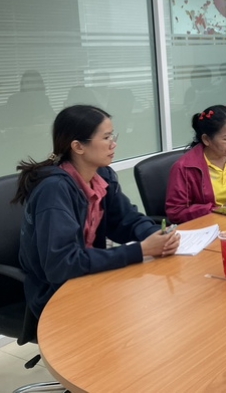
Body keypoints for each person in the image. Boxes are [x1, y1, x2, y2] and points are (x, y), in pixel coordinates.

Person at [15, 105, 180, 318]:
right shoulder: (54, 190)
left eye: (113, 136)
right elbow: (62, 264)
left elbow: (125, 220)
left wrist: (156, 235)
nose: (113, 144)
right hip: (56, 293)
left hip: (91, 275)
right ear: (78, 146)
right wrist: (141, 250)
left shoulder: (102, 175)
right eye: (106, 137)